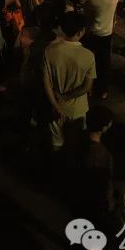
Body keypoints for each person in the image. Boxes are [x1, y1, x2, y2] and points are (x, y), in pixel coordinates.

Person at [42, 10, 95, 151]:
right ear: (81, 31)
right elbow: (87, 87)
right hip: (78, 109)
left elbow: (46, 83)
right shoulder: (88, 56)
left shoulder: (49, 51)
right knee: (76, 145)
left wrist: (56, 105)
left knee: (57, 144)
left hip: (55, 108)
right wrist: (65, 97)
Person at [79, 0, 121, 98]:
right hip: (108, 31)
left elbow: (80, 0)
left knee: (89, 60)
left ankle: (88, 89)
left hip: (91, 30)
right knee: (104, 61)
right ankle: (103, 90)